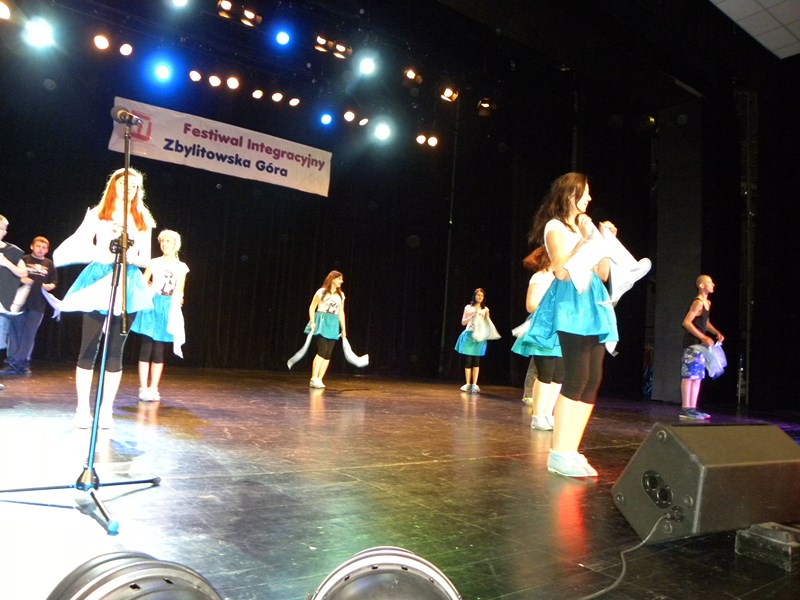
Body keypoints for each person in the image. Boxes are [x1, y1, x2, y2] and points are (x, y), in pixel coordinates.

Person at [524, 172, 621, 477]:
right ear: (570, 194)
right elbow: (561, 270)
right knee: (576, 376)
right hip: (571, 305)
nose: (589, 198)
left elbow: (602, 274)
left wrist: (605, 244)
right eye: (585, 193)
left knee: (592, 378)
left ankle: (571, 449)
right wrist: (586, 240)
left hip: (594, 302)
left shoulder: (585, 227)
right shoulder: (555, 227)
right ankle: (558, 452)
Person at [53, 167, 155, 429]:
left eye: (134, 186)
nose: (128, 189)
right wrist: (103, 253)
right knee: (89, 347)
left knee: (115, 352)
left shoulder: (142, 218)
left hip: (128, 283)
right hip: (99, 279)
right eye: (124, 184)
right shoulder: (98, 214)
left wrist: (130, 256)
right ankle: (82, 409)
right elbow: (81, 245)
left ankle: (106, 410)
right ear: (114, 186)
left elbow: (146, 258)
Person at [130, 229, 188, 402]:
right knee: (146, 347)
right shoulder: (154, 262)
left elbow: (180, 289)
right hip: (151, 304)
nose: (165, 244)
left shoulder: (181, 267)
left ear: (175, 244)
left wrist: (179, 299)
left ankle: (153, 388)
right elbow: (143, 282)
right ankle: (143, 387)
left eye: (168, 241)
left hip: (167, 307)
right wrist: (146, 286)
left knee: (158, 349)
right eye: (163, 241)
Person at [512, 246, 563, 430]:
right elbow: (531, 305)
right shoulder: (540, 277)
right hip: (543, 328)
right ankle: (537, 415)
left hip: (560, 330)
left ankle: (548, 414)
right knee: (545, 374)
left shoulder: (561, 278)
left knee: (559, 375)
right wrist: (552, 309)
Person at [0, 236, 58, 376]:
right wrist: (21, 278)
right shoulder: (23, 259)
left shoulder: (49, 264)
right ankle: (16, 363)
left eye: (44, 248)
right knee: (15, 334)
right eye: (38, 246)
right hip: (19, 302)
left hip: (38, 304)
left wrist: (50, 286)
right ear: (32, 246)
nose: (41, 249)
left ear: (47, 250)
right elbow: (11, 274)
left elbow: (54, 281)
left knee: (29, 335)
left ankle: (19, 363)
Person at [679, 274, 724, 420]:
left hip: (701, 346)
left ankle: (692, 408)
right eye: (710, 283)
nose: (713, 285)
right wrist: (703, 337)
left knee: (697, 377)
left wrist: (716, 332)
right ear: (701, 286)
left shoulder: (707, 303)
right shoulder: (697, 302)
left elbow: (705, 322)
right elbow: (686, 322)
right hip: (692, 344)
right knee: (689, 376)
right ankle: (686, 408)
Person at [306, 270, 347, 389]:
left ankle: (320, 379)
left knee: (328, 353)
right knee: (322, 350)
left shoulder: (341, 295)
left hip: (333, 323)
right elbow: (312, 307)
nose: (341, 281)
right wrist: (312, 322)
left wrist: (343, 329)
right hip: (322, 321)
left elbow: (341, 312)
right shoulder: (321, 292)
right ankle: (314, 378)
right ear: (332, 279)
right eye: (339, 279)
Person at [455, 288, 490, 393]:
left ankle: (474, 384)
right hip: (469, 335)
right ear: (474, 296)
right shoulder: (468, 308)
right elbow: (463, 322)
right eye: (478, 295)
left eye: (482, 295)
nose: (480, 297)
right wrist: (471, 316)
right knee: (468, 360)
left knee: (476, 360)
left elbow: (488, 324)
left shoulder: (485, 309)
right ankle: (467, 383)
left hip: (479, 336)